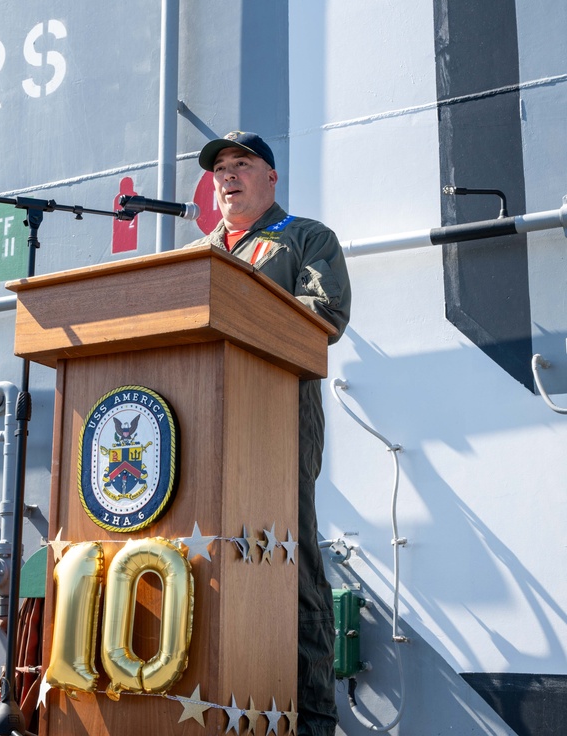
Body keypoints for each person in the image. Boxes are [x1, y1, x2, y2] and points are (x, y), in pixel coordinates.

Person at [185, 131, 351, 736]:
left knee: (290, 563)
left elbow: (324, 317)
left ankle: (312, 718)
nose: (227, 176)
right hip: (200, 425)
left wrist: (241, 301)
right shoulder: (195, 256)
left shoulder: (305, 239)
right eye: (220, 168)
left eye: (242, 164)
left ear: (270, 178)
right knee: (207, 562)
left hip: (275, 421)